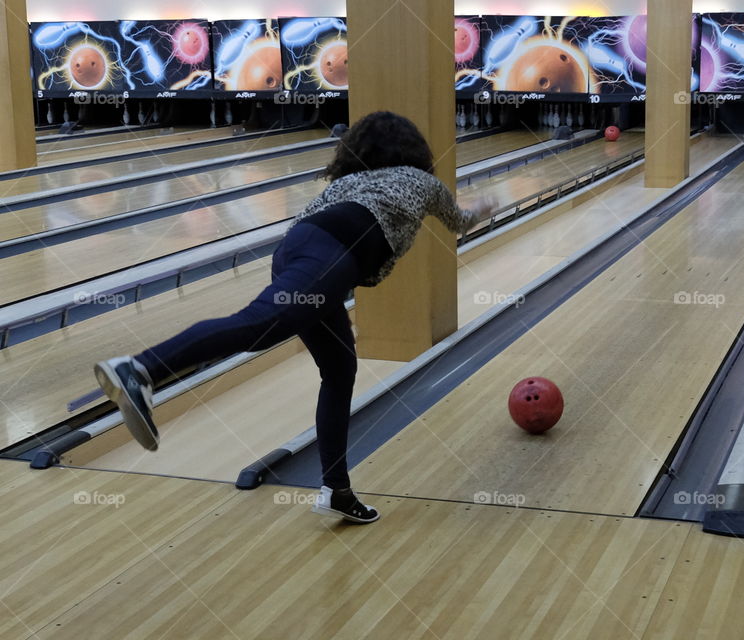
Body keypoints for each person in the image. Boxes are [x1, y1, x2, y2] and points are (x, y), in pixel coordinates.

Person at [95, 111, 493, 524]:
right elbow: (459, 222)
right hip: (331, 256)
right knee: (261, 326)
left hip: (298, 248)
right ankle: (139, 369)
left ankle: (337, 490)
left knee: (339, 368)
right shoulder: (422, 182)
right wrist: (483, 206)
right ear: (415, 150)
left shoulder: (347, 182)